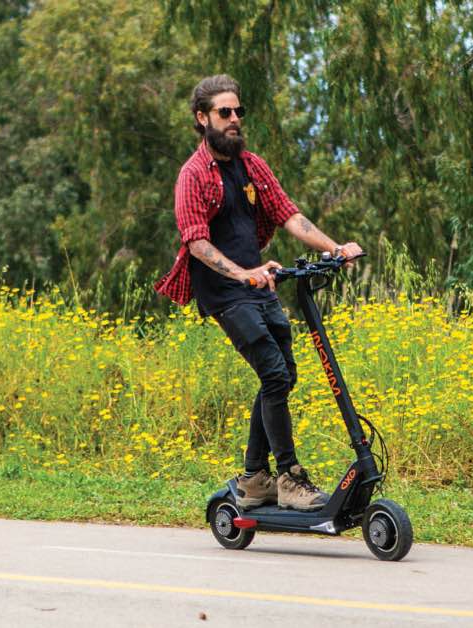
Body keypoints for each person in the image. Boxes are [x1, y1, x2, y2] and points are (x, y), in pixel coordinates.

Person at [155, 74, 362, 511]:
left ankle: (253, 478)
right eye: (224, 112)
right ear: (202, 118)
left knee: (283, 375)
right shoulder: (193, 175)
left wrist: (335, 249)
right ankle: (288, 477)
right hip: (225, 292)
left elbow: (289, 215)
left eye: (238, 111)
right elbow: (197, 242)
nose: (234, 119)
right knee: (274, 373)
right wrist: (243, 274)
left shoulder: (251, 166)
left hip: (259, 283)